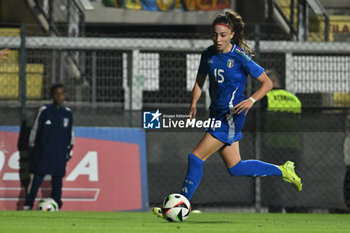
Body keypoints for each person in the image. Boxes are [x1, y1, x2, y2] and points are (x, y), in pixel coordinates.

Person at [153, 11, 302, 218]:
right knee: (236, 167)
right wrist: (194, 103)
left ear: (231, 35)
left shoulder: (240, 57)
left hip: (231, 115)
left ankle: (178, 207)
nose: (218, 39)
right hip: (217, 114)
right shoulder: (208, 54)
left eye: (223, 35)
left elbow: (266, 83)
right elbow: (199, 81)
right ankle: (284, 170)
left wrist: (251, 100)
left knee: (195, 157)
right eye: (215, 35)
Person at [23, 83, 74, 210]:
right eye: (56, 93)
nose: (59, 96)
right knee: (36, 180)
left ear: (65, 96)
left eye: (62, 93)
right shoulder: (44, 111)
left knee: (57, 182)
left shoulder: (67, 113)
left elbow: (70, 134)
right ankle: (28, 205)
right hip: (43, 153)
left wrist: (68, 150)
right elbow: (35, 131)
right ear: (52, 95)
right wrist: (32, 149)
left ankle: (56, 205)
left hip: (59, 154)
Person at [260, 70, 302, 212]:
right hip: (293, 145)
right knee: (292, 178)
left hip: (272, 145)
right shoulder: (294, 99)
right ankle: (293, 208)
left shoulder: (267, 98)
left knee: (273, 180)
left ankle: (275, 208)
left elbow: (259, 121)